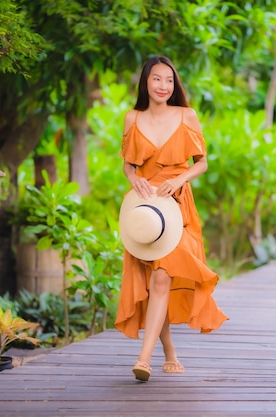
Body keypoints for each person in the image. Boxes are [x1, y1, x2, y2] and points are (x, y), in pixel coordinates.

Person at [114, 55, 228, 382]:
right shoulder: (131, 118)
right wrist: (132, 178)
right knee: (153, 283)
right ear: (145, 83)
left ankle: (144, 358)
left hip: (177, 205)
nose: (163, 86)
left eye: (169, 80)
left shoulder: (186, 115)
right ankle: (168, 351)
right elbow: (127, 165)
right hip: (145, 210)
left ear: (174, 84)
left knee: (163, 276)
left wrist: (180, 179)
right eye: (156, 79)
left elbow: (202, 162)